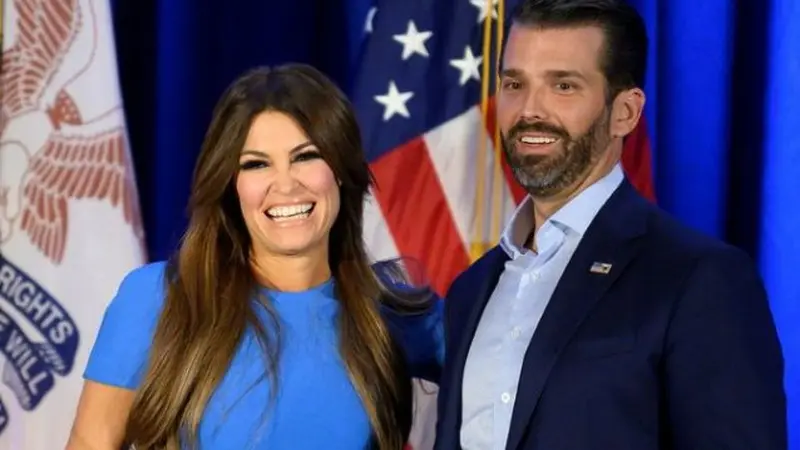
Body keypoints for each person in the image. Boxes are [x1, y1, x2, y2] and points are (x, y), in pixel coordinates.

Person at [434, 1, 786, 449]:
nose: (529, 110)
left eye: (563, 85)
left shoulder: (700, 279)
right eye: (513, 83)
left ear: (625, 112)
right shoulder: (471, 289)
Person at [66, 63, 443, 450]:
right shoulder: (158, 299)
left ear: (340, 170)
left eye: (306, 156)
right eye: (256, 164)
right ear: (232, 184)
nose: (285, 184)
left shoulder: (393, 315)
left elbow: (503, 379)